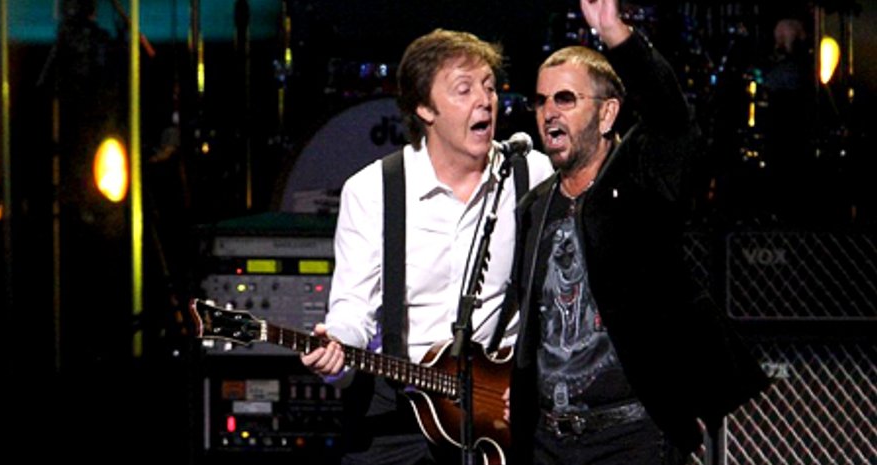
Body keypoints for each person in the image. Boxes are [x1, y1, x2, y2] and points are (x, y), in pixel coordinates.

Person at [506, 1, 771, 464]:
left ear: (608, 114)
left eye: (565, 99)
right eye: (541, 100)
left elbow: (671, 118)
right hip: (549, 442)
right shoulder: (534, 207)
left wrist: (614, 33)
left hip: (634, 438)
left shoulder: (643, 181)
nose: (549, 112)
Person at [301, 28, 555, 464]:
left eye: (490, 87)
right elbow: (353, 308)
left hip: (497, 410)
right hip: (399, 409)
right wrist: (335, 348)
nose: (485, 101)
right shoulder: (373, 191)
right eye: (464, 89)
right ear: (424, 108)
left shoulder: (530, 173)